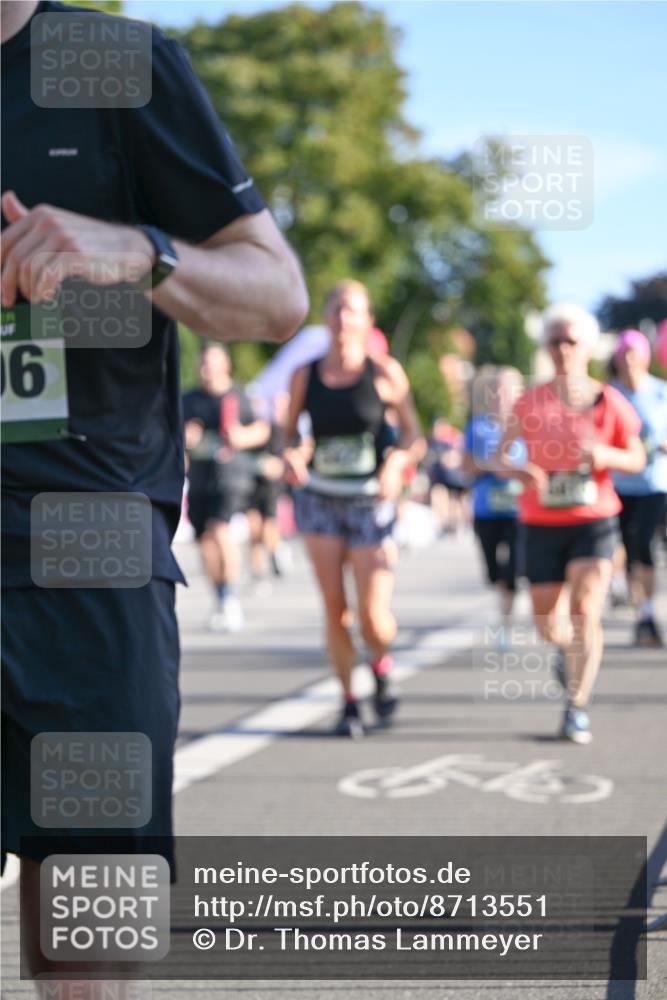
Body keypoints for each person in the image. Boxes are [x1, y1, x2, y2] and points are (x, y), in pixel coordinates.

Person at [1, 0, 307, 988]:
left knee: (86, 948)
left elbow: (275, 294)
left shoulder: (112, 63)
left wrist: (144, 251)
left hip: (85, 551)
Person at [495, 304, 645, 744]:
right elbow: (499, 455)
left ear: (587, 349)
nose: (562, 349)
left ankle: (576, 705)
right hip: (541, 521)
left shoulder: (608, 400)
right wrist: (519, 471)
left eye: (571, 341)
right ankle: (565, 652)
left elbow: (636, 456)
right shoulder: (530, 401)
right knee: (547, 624)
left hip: (593, 519)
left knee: (585, 610)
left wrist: (605, 456)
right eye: (554, 341)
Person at [283, 280, 421, 737]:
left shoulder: (384, 372)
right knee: (334, 611)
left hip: (370, 502)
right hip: (321, 499)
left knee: (372, 618)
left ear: (367, 321)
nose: (344, 319)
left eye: (353, 311)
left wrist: (396, 465)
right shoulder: (305, 373)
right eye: (337, 309)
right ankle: (347, 700)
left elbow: (412, 436)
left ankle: (381, 663)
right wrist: (292, 454)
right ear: (324, 318)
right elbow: (288, 433)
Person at [183, 343, 270, 630]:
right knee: (205, 540)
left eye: (212, 363)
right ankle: (219, 595)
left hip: (231, 477)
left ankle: (230, 595)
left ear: (225, 366)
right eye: (202, 364)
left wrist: (240, 436)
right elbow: (174, 436)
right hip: (199, 478)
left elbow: (262, 429)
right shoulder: (188, 399)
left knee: (220, 530)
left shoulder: (240, 395)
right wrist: (187, 438)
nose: (206, 370)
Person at [610, 329, 667, 647]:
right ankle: (641, 611)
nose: (629, 361)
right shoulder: (609, 394)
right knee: (627, 551)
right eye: (624, 354)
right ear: (616, 359)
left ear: (645, 357)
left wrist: (660, 444)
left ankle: (646, 612)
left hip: (654, 484)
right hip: (619, 485)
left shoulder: (661, 392)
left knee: (644, 545)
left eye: (634, 354)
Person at [462, 366, 525, 642]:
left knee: (512, 570)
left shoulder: (528, 424)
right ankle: (503, 595)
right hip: (486, 510)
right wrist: (491, 465)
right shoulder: (477, 426)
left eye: (509, 388)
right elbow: (465, 466)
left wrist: (514, 470)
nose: (502, 395)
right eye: (498, 388)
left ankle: (505, 624)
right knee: (492, 572)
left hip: (518, 511)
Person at [245, 390, 291, 584]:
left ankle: (277, 549)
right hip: (250, 483)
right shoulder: (249, 428)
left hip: (271, 485)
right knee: (253, 528)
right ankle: (258, 572)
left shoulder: (280, 428)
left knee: (268, 527)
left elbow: (284, 457)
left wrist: (276, 466)